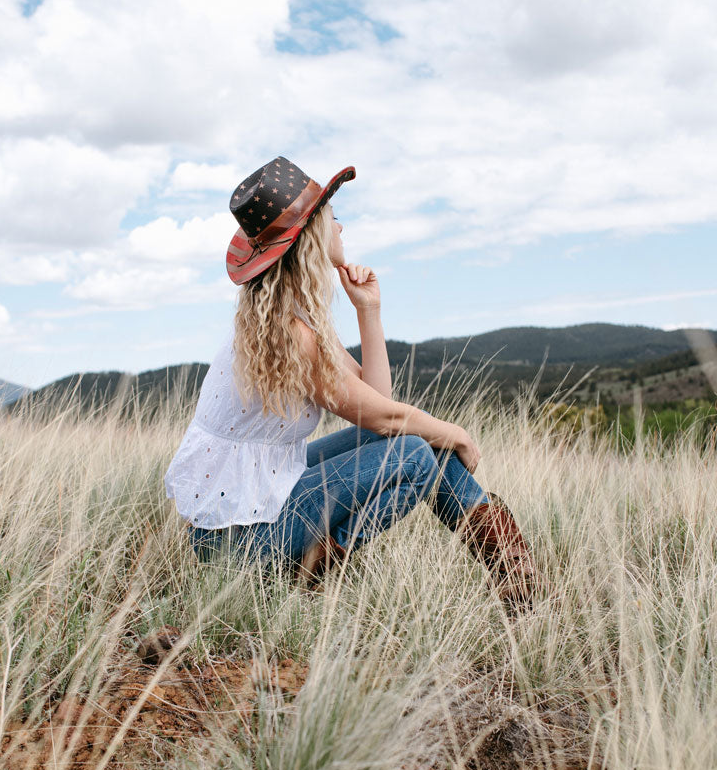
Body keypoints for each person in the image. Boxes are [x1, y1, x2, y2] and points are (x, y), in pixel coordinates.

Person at [165, 157, 537, 610]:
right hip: (238, 543)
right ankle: (307, 568)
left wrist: (368, 311)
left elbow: (376, 404)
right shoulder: (290, 334)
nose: (341, 228)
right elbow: (386, 416)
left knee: (414, 441)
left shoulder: (291, 318)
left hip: (254, 510)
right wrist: (454, 433)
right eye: (332, 218)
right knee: (418, 451)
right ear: (312, 236)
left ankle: (515, 573)